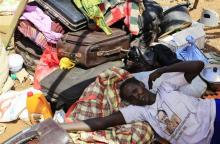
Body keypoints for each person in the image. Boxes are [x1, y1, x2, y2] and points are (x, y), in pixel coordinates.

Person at [61, 61, 220, 144]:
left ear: (142, 85)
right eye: (131, 97)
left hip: (214, 112)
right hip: (204, 141)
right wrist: (61, 127)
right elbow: (101, 122)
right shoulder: (139, 112)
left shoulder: (167, 87)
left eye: (136, 91)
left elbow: (198, 65)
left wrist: (161, 70)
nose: (137, 97)